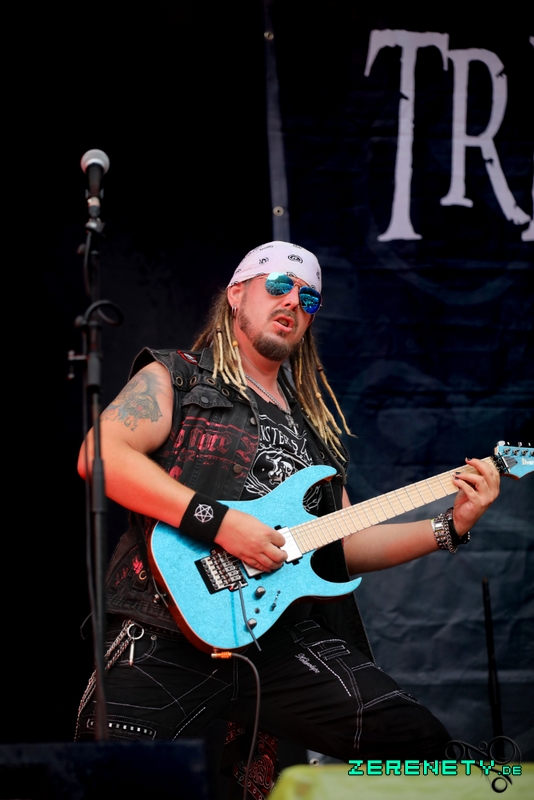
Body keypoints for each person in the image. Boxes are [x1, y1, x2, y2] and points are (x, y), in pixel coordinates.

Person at [76, 241, 499, 786]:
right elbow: (101, 455)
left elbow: (343, 545)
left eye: (309, 297)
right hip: (164, 627)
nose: (294, 301)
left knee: (419, 742)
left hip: (276, 641)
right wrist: (223, 525)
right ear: (236, 294)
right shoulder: (177, 377)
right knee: (107, 773)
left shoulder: (315, 431)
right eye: (278, 285)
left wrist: (450, 526)